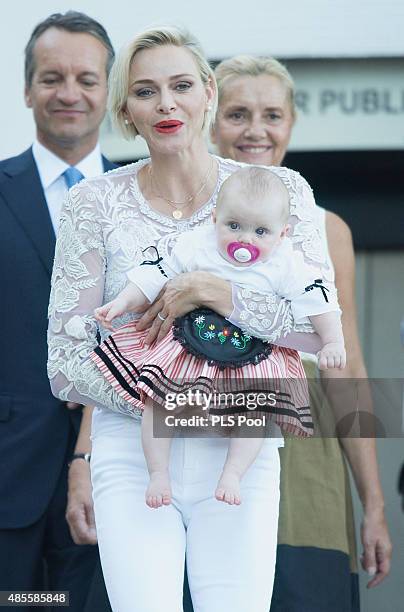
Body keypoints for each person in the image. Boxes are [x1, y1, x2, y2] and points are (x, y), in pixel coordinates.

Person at [47, 26, 337, 612]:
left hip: (244, 447)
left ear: (209, 93)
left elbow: (314, 329)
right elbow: (63, 360)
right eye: (145, 91)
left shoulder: (284, 192)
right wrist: (167, 399)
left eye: (181, 86)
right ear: (126, 109)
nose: (166, 104)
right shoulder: (92, 203)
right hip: (131, 449)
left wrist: (220, 294)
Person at [211, 54, 392, 611]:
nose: (256, 131)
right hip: (203, 436)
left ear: (291, 123)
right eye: (237, 114)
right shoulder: (180, 216)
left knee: (304, 592)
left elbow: (348, 368)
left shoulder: (326, 229)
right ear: (210, 121)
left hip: (307, 453)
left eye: (272, 114)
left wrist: (374, 503)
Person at [92, 165, 344, 508]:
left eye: (261, 231)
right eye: (234, 225)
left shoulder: (286, 263)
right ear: (215, 219)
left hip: (249, 355)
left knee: (256, 412)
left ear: (282, 234)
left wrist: (333, 341)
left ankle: (234, 473)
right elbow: (156, 272)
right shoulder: (199, 244)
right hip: (189, 346)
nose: (245, 240)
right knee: (158, 398)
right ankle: (158, 471)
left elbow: (317, 298)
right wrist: (121, 303)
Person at [0, 11, 114, 611]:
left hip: (114, 475)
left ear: (108, 90)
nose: (69, 93)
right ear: (26, 89)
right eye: (51, 78)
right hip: (6, 478)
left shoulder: (141, 200)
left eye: (86, 79)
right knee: (21, 604)